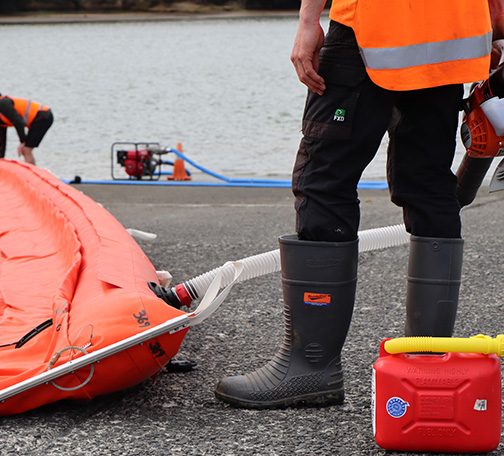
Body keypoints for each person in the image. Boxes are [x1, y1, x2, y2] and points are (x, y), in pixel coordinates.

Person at [215, 0, 504, 409]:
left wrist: (308, 19)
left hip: (376, 28)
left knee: (323, 180)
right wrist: (497, 22)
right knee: (429, 183)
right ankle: (427, 366)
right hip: (452, 37)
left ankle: (310, 366)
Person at [0, 93, 54, 165]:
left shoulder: (1, 104)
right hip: (37, 120)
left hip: (43, 115)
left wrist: (23, 141)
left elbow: (18, 122)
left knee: (26, 149)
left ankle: (33, 176)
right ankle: (32, 174)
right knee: (25, 149)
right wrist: (0, 160)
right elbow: (2, 140)